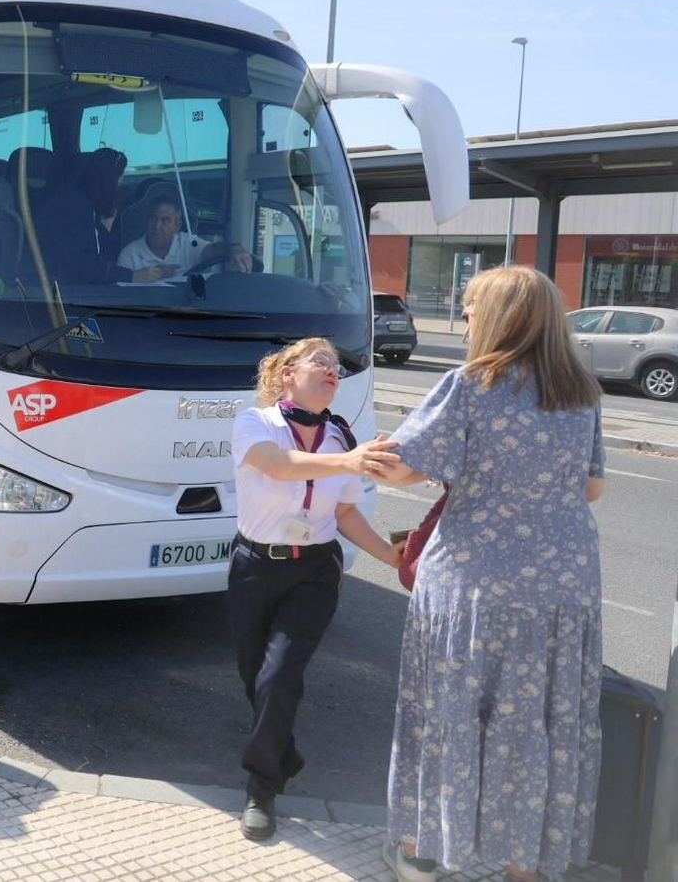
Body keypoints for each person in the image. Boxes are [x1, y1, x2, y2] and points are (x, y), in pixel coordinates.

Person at [374, 265, 604, 882]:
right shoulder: (581, 390)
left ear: (502, 316)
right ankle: (524, 865)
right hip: (563, 585)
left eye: (472, 306)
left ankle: (426, 852)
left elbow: (402, 470)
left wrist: (360, 457)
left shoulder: (471, 384)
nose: (466, 315)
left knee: (451, 711)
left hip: (473, 582)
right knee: (538, 720)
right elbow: (592, 488)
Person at [228, 337, 403, 842]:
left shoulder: (341, 437)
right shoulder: (256, 422)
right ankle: (281, 751)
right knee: (255, 677)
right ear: (288, 374)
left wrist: (390, 556)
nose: (333, 371)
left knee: (279, 675)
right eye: (320, 361)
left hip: (314, 572)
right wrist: (349, 462)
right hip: (255, 567)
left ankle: (261, 788)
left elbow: (345, 512)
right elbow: (277, 465)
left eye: (336, 366)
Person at [30, 148, 130, 285]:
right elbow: (85, 267)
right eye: (119, 181)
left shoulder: (84, 207)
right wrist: (132, 276)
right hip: (56, 292)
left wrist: (105, 227)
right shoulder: (71, 210)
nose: (119, 188)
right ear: (109, 181)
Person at [117, 185, 253, 281]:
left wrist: (233, 249)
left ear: (177, 226)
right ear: (146, 222)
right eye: (153, 218)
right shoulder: (129, 255)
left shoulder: (188, 244)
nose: (157, 226)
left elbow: (210, 250)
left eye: (165, 220)